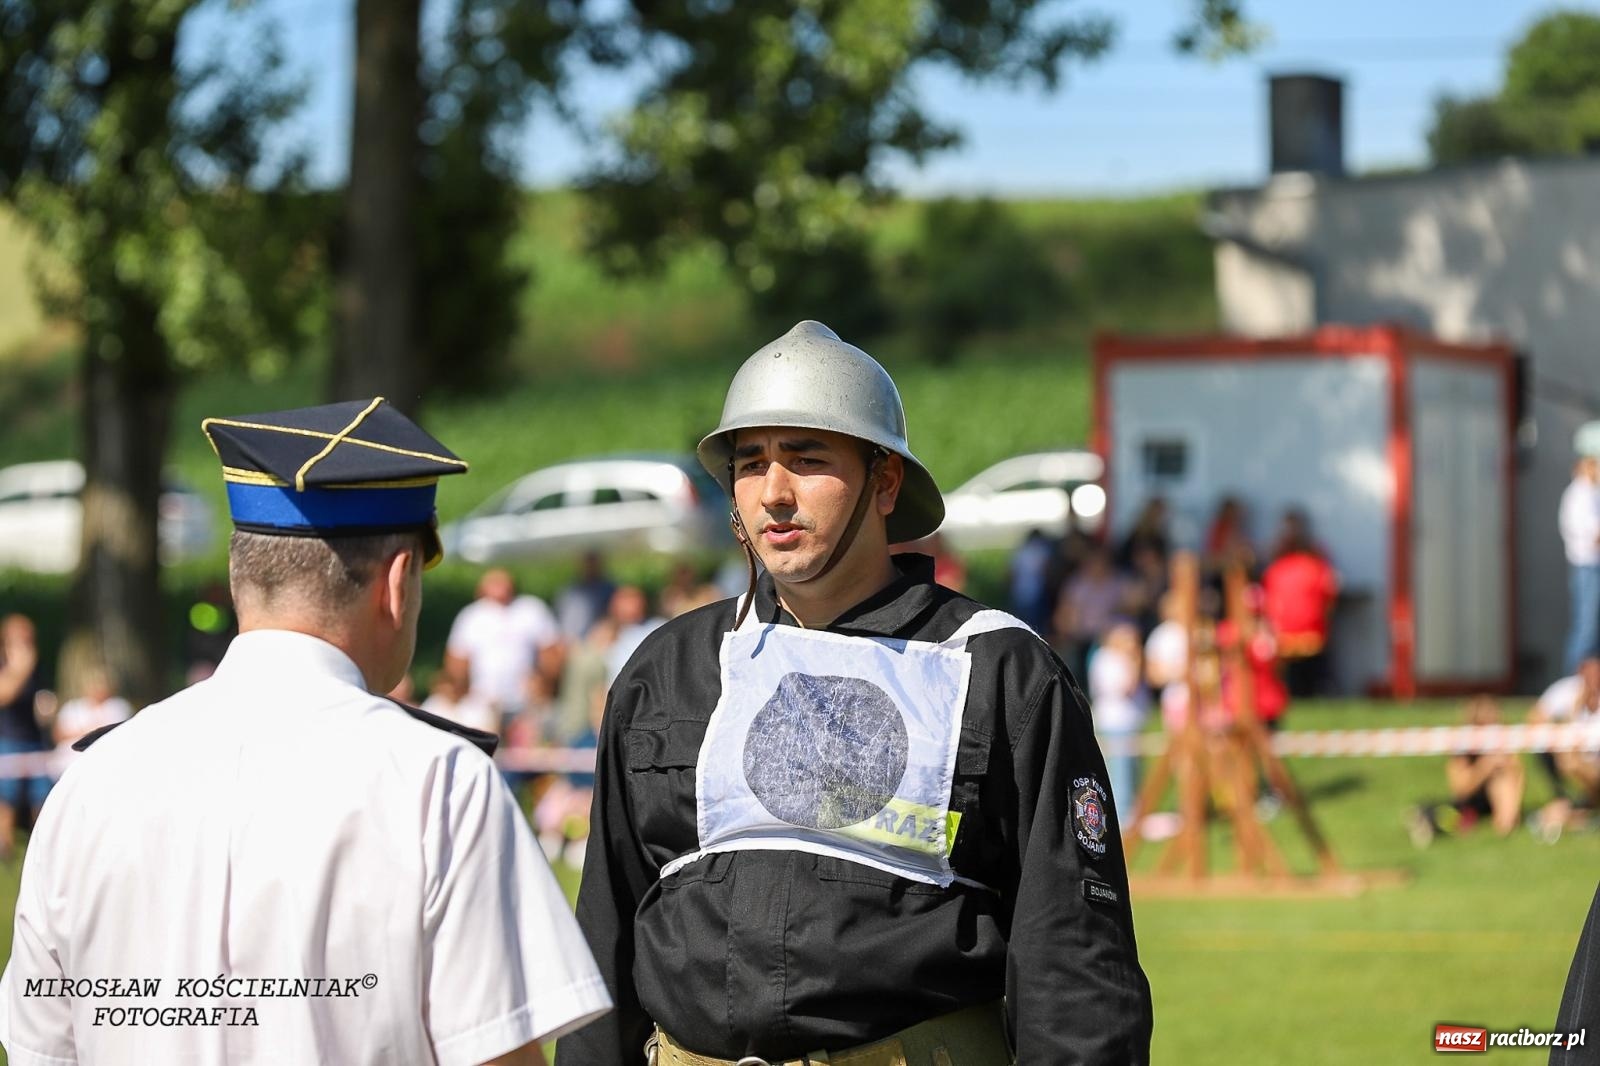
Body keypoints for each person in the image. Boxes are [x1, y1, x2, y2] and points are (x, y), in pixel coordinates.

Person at [560, 321, 1151, 1065]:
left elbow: (1076, 967)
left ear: (886, 482)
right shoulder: (668, 668)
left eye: (807, 460)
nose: (774, 493)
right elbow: (604, 941)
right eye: (751, 463)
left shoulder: (998, 669)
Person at [0, 398, 609, 1065]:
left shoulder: (91, 782)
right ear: (399, 584)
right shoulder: (439, 782)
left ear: (241, 580)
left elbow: (40, 1052)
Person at [1406, 697, 1526, 845]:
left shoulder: (1503, 744)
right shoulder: (1463, 748)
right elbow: (1460, 789)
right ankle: (1427, 816)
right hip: (1468, 801)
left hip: (1490, 801)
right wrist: (1485, 767)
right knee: (1452, 815)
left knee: (1501, 781)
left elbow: (1517, 777)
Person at [444, 567, 561, 718]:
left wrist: (544, 683)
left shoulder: (531, 609)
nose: (500, 587)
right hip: (483, 701)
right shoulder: (471, 616)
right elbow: (456, 662)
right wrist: (461, 691)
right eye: (494, 582)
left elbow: (552, 652)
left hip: (526, 702)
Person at [1261, 508, 1340, 697]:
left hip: (1283, 637)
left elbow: (1267, 606)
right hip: (1311, 637)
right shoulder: (1315, 567)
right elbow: (1329, 600)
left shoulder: (1275, 570)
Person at [0, 613, 48, 860]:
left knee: (40, 796)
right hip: (7, 740)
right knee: (7, 799)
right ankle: (4, 851)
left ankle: (41, 846)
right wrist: (20, 669)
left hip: (34, 740)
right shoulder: (10, 664)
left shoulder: (36, 664)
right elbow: (4, 694)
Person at [1562, 457, 1600, 673]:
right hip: (1587, 566)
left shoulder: (1589, 492)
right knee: (1587, 628)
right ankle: (1575, 683)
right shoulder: (1581, 494)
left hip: (1589, 566)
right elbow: (1594, 534)